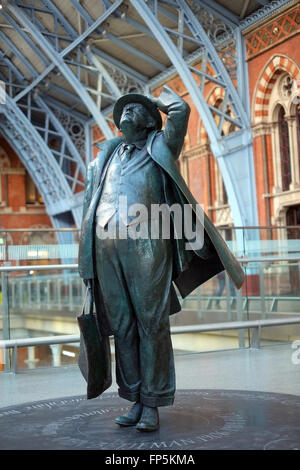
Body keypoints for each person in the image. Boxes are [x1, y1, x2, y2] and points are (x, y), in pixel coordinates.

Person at [78, 85, 244, 432]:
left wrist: (150, 100)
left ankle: (153, 402)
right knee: (122, 326)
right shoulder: (106, 156)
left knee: (151, 323)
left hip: (148, 245)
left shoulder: (160, 145)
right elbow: (89, 206)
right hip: (106, 249)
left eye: (136, 110)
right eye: (124, 109)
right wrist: (86, 258)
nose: (127, 112)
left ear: (152, 122)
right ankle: (135, 397)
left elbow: (180, 109)